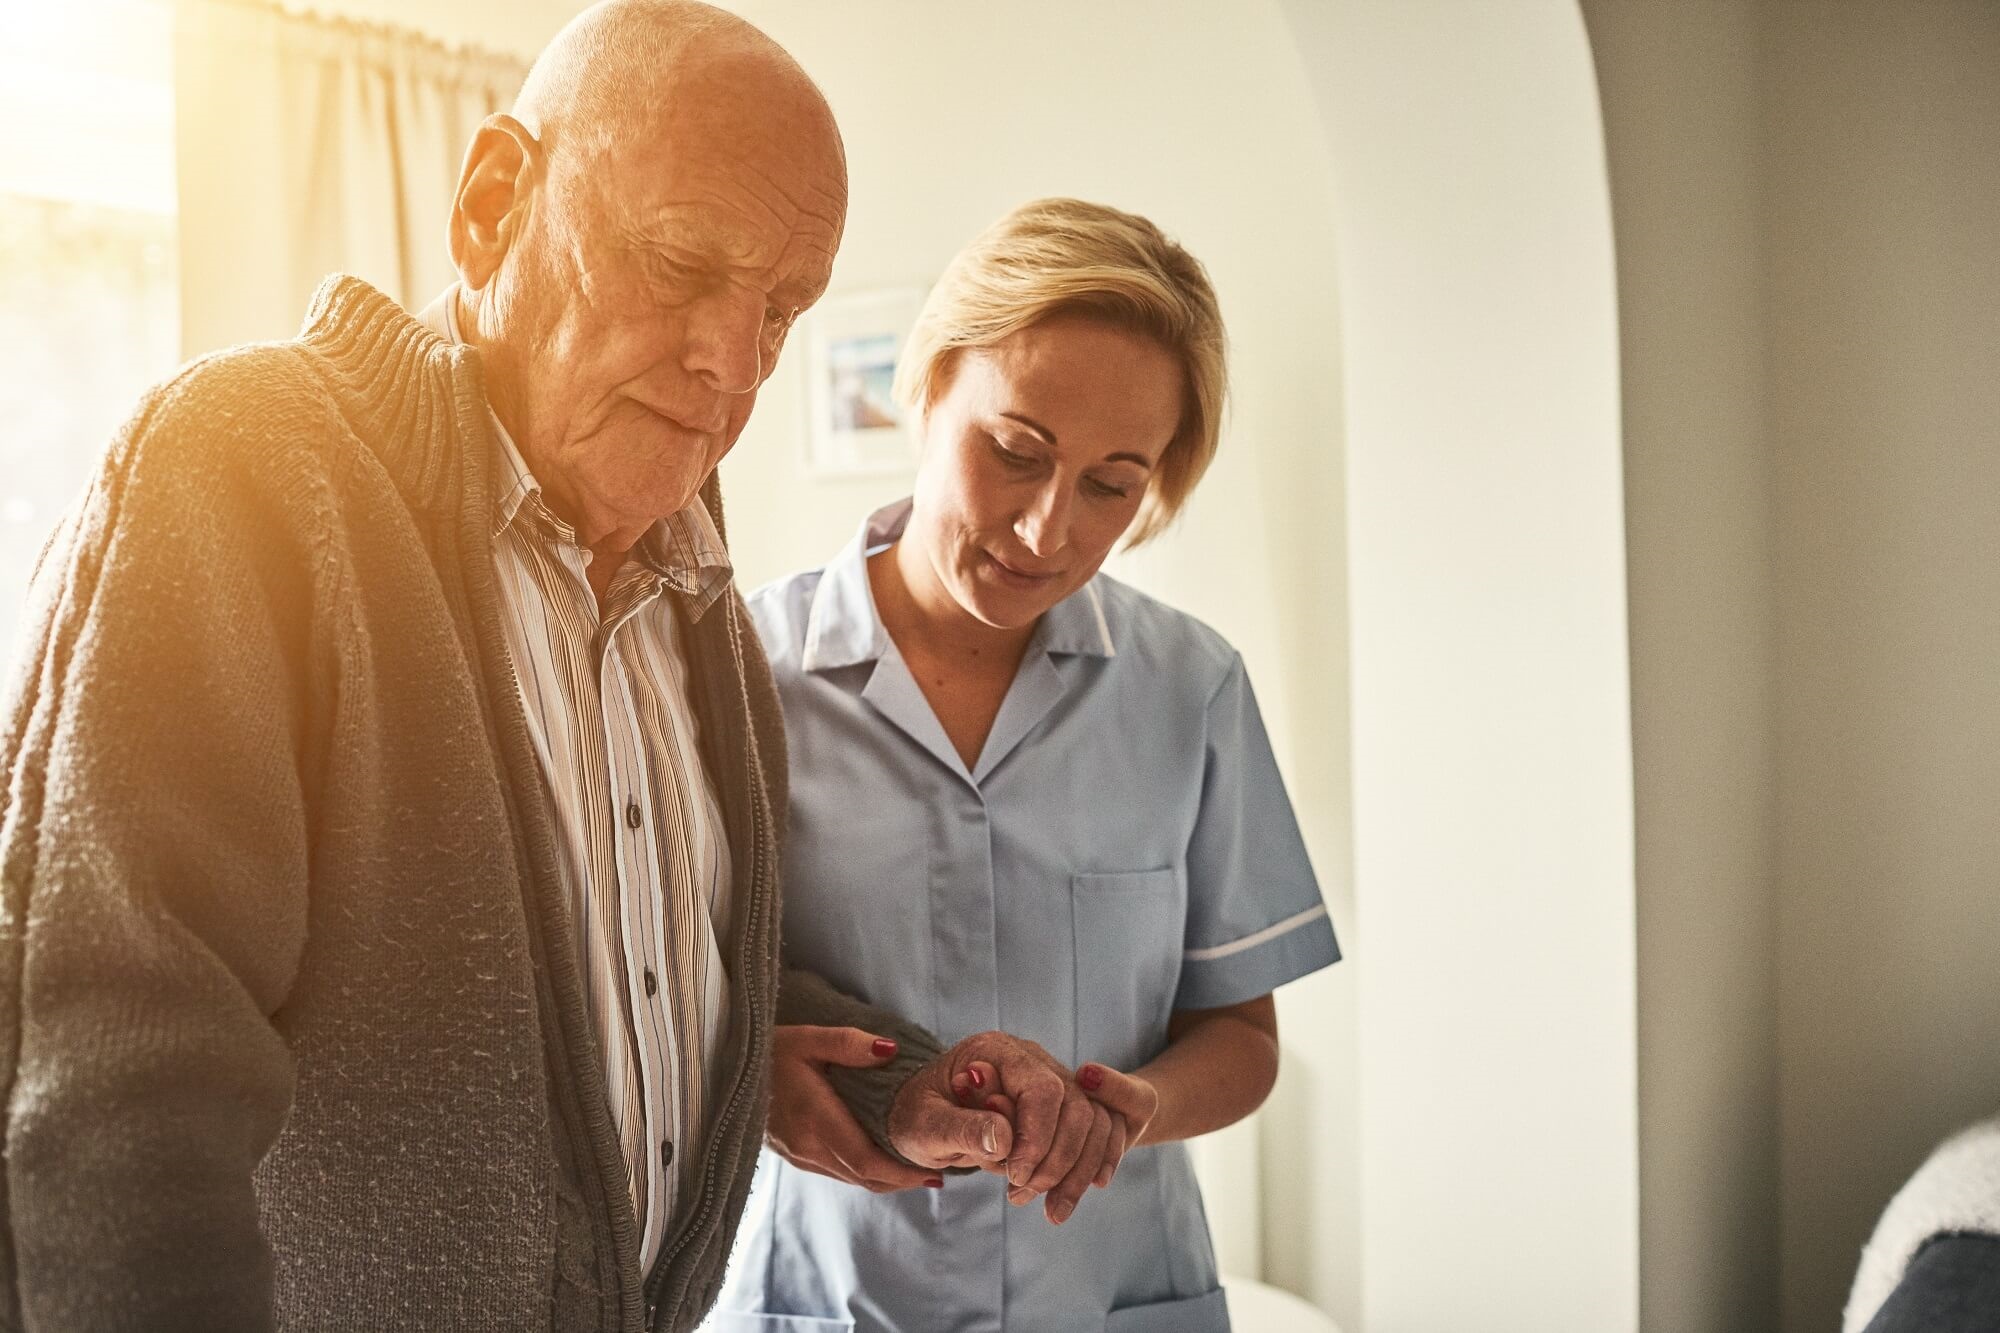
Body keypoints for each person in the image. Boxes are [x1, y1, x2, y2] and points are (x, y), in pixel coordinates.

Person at [0, 3, 1066, 1328]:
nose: (730, 368)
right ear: (493, 204)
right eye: (680, 264)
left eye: (781, 312)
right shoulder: (244, 473)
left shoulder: (708, 625)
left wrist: (886, 1081)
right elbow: (114, 1078)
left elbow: (632, 971)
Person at [712, 198, 1343, 1332]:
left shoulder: (1187, 690)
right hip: (829, 1292)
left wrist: (1133, 1108)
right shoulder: (740, 675)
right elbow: (677, 1005)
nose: (1047, 529)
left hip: (1109, 1292)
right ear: (927, 385)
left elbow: (1241, 1039)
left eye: (1110, 484)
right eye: (1015, 451)